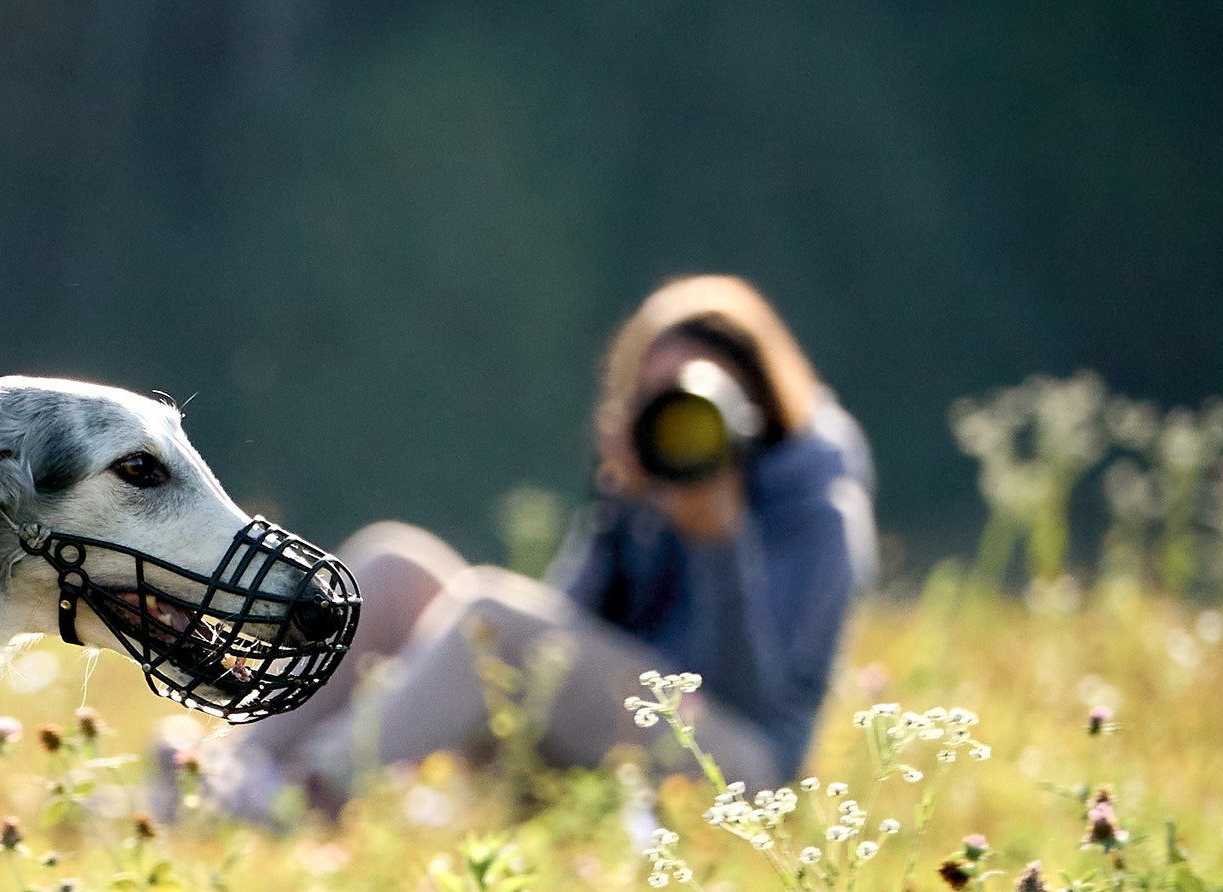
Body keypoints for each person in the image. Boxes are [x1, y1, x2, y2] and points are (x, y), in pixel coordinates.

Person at [182, 275, 875, 817]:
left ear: (756, 404)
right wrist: (620, 511)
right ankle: (221, 776)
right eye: (655, 399)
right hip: (609, 745)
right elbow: (560, 625)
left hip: (738, 776)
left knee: (490, 618)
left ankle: (306, 794)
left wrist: (718, 539)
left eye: (700, 405)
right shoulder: (643, 493)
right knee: (393, 565)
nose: (679, 425)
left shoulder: (815, 511)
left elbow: (746, 702)